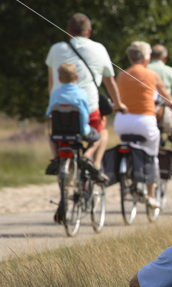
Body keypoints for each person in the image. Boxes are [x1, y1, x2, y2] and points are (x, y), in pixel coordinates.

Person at [45, 12, 127, 178]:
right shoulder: (99, 49)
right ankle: (93, 162)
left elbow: (51, 84)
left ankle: (58, 160)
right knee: (102, 130)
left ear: (68, 31)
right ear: (89, 32)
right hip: (89, 110)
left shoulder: (55, 49)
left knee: (53, 131)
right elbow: (109, 82)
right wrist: (118, 103)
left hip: (59, 111)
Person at [114, 41, 172, 209]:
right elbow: (166, 97)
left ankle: (130, 173)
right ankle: (150, 193)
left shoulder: (122, 75)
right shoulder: (152, 75)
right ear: (146, 57)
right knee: (152, 155)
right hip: (144, 122)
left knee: (128, 145)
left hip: (122, 122)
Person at [47, 63, 102, 224]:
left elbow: (50, 112)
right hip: (79, 132)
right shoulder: (81, 93)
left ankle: (56, 157)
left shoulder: (55, 93)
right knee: (98, 138)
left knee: (50, 137)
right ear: (76, 77)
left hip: (59, 134)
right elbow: (84, 114)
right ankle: (86, 156)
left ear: (59, 78)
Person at [147, 44, 172, 154]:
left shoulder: (143, 68)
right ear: (164, 58)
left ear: (150, 56)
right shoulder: (169, 71)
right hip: (162, 112)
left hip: (143, 110)